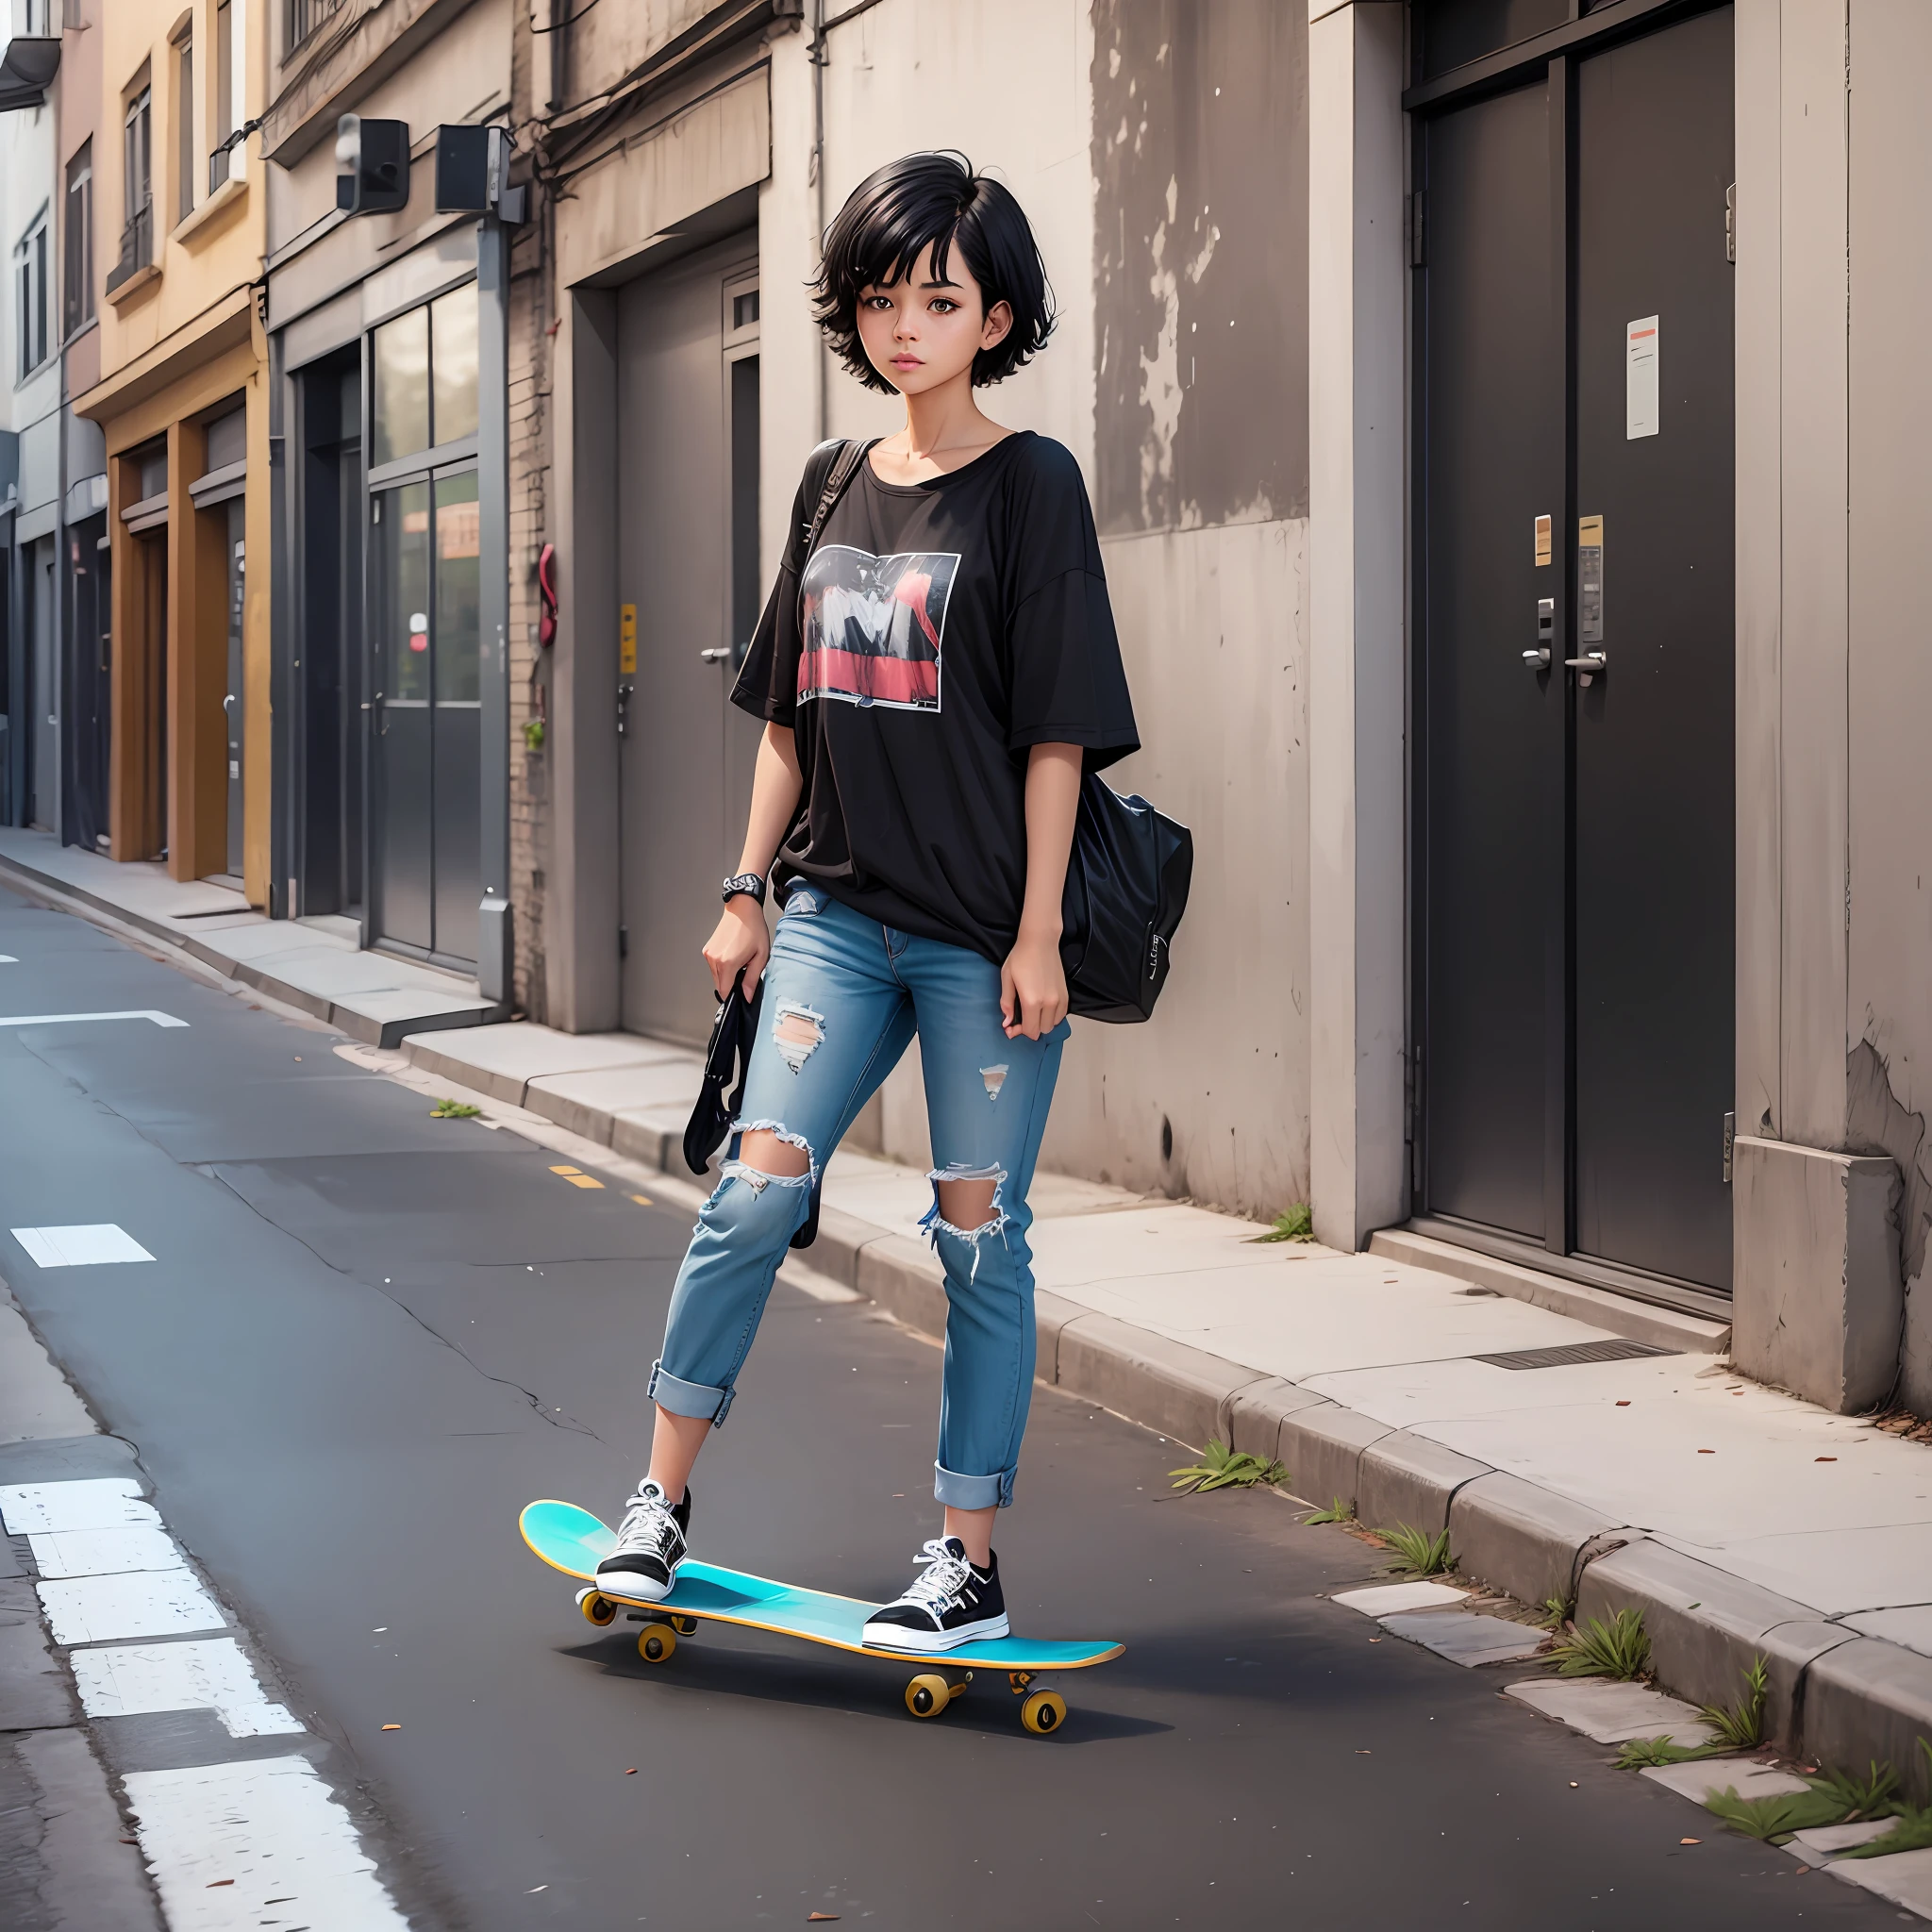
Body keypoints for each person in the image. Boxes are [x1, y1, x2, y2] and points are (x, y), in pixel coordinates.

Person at [596, 151, 1139, 1652]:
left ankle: (965, 1556)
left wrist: (1037, 934)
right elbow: (788, 715)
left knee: (979, 1241)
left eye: (941, 299)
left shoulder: (1033, 487)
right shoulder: (832, 481)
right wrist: (741, 891)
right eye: (885, 296)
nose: (908, 324)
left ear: (996, 316)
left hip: (977, 940)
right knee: (753, 1196)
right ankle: (658, 1504)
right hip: (835, 917)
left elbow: (1057, 736)